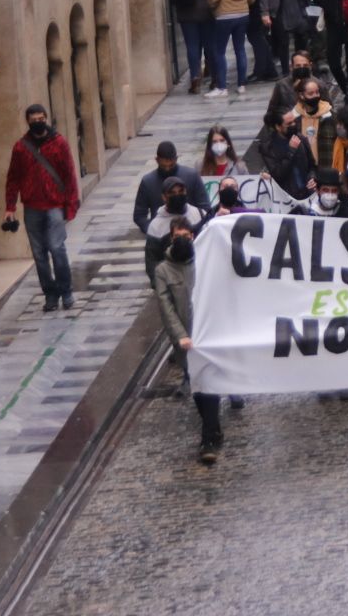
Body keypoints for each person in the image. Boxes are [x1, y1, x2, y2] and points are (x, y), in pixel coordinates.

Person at [151, 223, 224, 465]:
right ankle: (212, 426)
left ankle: (208, 438)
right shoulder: (163, 271)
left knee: (209, 383)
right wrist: (180, 335)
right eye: (177, 236)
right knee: (197, 387)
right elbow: (166, 306)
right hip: (185, 341)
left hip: (208, 335)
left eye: (186, 235)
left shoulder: (205, 262)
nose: (183, 239)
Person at [3, 103, 81, 313]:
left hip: (54, 205)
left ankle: (66, 292)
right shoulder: (21, 148)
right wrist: (9, 207)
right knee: (39, 254)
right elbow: (13, 178)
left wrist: (71, 204)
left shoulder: (59, 143)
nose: (38, 123)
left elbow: (69, 175)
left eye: (41, 119)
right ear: (28, 122)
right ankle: (50, 294)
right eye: (33, 120)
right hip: (32, 207)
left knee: (57, 248)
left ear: (46, 118)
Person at [134, 141, 209, 278]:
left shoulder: (191, 176)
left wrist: (191, 228)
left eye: (171, 165)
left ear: (176, 159)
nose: (167, 169)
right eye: (163, 166)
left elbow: (204, 207)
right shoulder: (148, 182)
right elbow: (139, 215)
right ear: (157, 160)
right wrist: (153, 229)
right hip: (161, 241)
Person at [204, 0, 257, 98]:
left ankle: (221, 87)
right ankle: (241, 85)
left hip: (224, 14)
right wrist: (244, 2)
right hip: (242, 12)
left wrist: (213, 5)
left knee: (219, 51)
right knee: (240, 49)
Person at [258, 105, 317, 205]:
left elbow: (312, 165)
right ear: (278, 126)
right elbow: (278, 174)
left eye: (294, 121)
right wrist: (291, 151)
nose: (294, 125)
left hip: (307, 194)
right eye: (289, 124)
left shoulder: (301, 139)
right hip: (285, 198)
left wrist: (313, 177)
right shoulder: (268, 147)